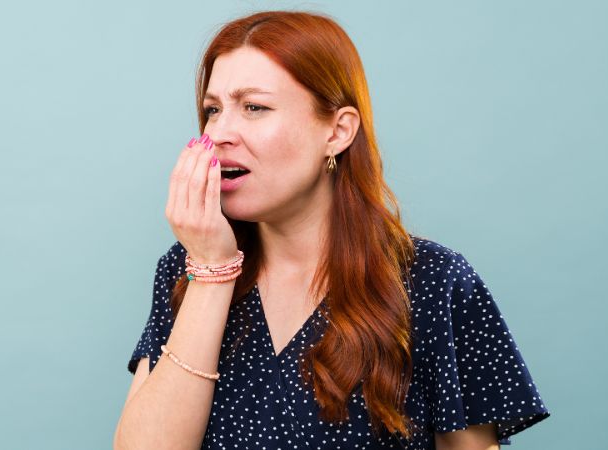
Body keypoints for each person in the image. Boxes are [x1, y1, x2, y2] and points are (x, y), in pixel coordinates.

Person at [114, 10, 549, 450]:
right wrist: (212, 272)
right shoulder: (187, 264)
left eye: (254, 107)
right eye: (213, 110)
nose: (220, 132)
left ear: (338, 131)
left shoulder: (435, 282)